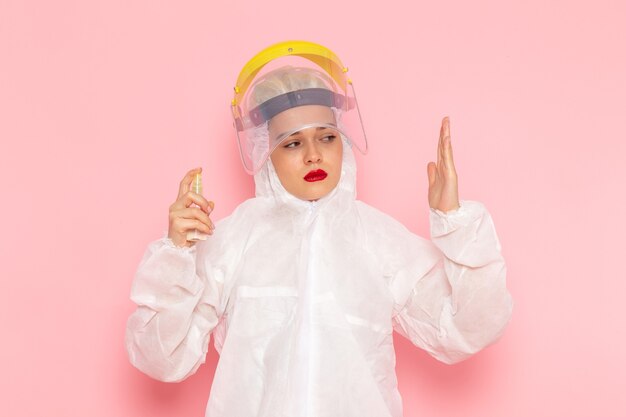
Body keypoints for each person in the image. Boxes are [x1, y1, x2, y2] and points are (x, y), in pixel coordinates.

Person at [125, 40, 513, 417]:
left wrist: (454, 221)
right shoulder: (235, 239)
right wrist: (177, 255)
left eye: (326, 137)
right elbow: (163, 360)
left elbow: (468, 329)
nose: (314, 154)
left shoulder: (377, 238)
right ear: (265, 151)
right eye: (292, 143)